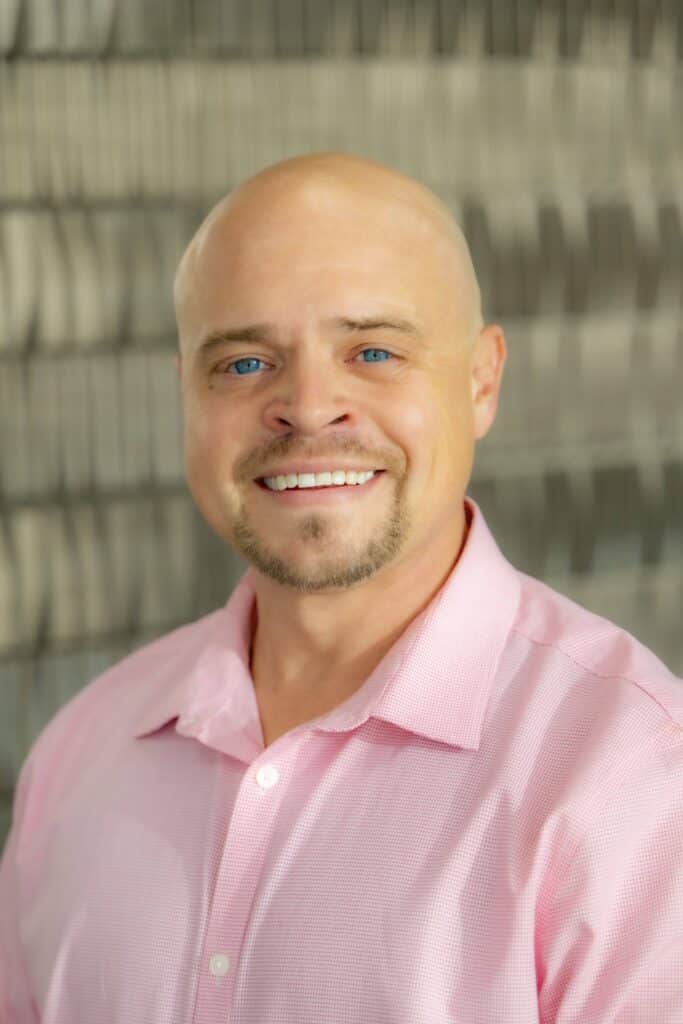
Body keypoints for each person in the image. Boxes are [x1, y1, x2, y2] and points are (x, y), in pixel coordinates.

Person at [1, 152, 682, 1024]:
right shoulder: (79, 755)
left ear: (481, 380)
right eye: (245, 364)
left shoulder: (631, 779)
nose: (310, 407)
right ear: (186, 396)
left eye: (372, 350)